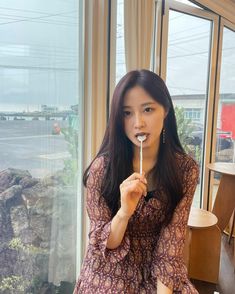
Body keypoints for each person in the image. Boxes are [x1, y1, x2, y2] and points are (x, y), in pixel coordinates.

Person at [73, 70, 199, 294]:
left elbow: (172, 242)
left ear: (166, 110)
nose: (138, 123)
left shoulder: (185, 170)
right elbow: (105, 244)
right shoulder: (102, 170)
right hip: (109, 269)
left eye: (148, 109)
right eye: (127, 113)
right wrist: (124, 212)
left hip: (161, 272)